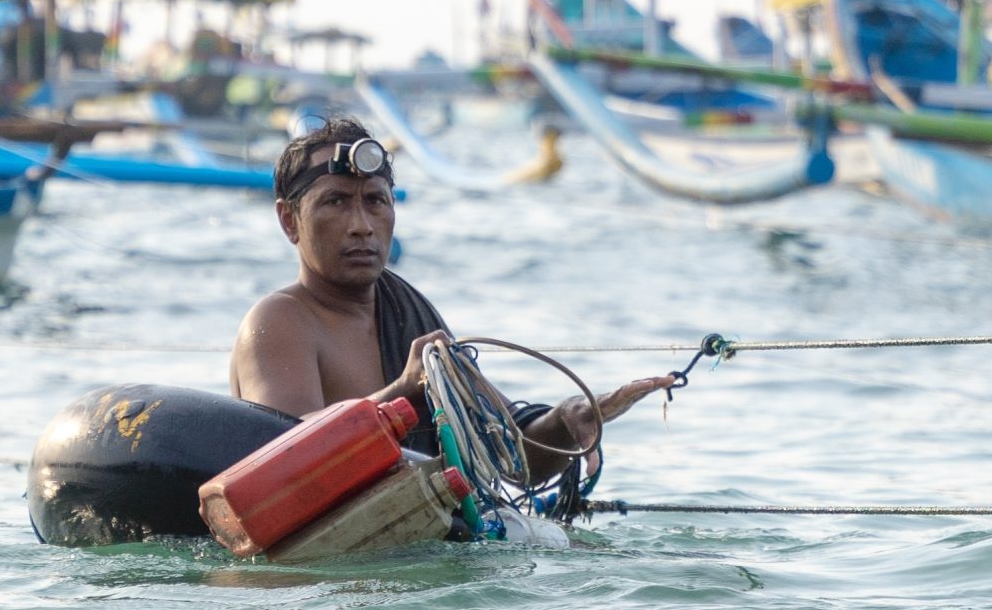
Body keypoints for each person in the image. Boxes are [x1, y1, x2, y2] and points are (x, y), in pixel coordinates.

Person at [230, 116, 676, 483]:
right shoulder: (278, 322)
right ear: (289, 220)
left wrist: (568, 420)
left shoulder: (409, 313)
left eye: (375, 201)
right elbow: (283, 461)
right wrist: (402, 394)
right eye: (336, 202)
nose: (361, 225)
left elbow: (514, 458)